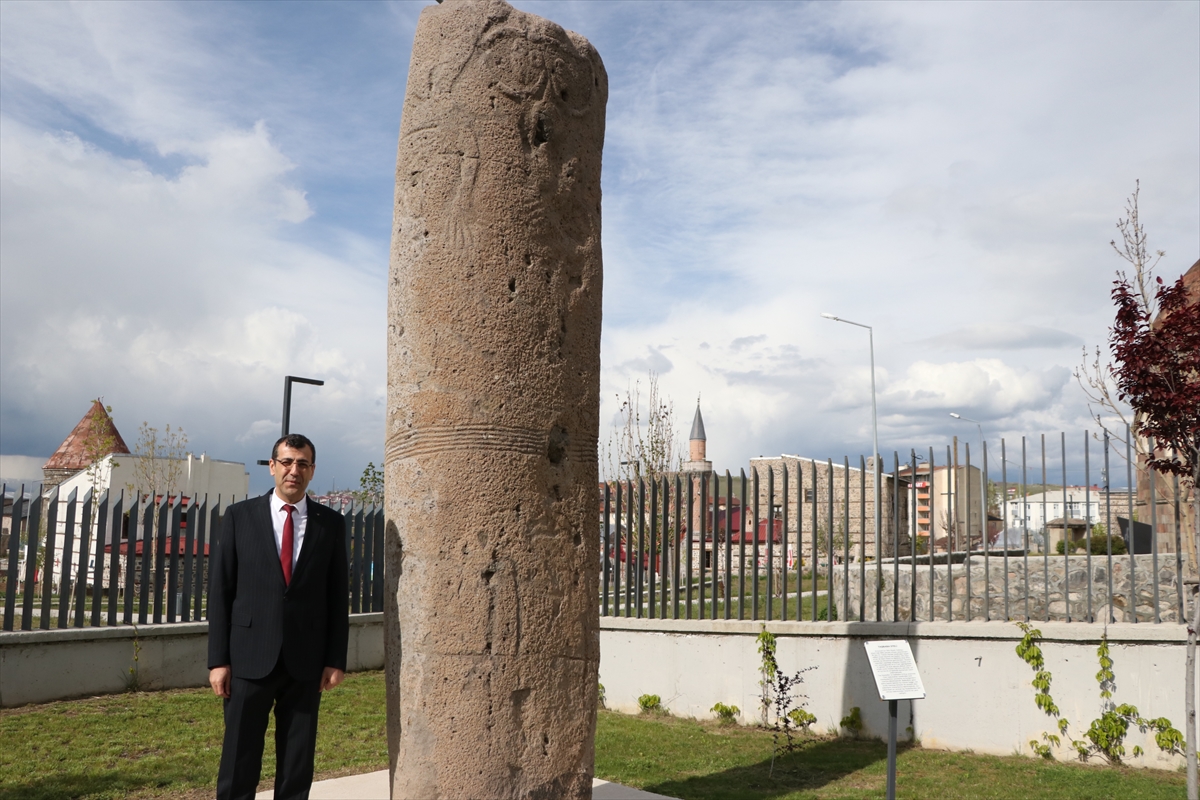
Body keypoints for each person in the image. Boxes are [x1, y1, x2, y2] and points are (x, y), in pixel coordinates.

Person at [208, 433, 349, 800]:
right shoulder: (240, 517)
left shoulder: (330, 524)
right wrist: (218, 661)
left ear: (312, 471)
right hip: (249, 659)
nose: (294, 471)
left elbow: (337, 597)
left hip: (306, 662)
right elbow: (221, 592)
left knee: (297, 767)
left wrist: (335, 660)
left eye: (302, 464)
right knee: (239, 760)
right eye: (286, 462)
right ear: (272, 467)